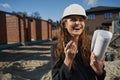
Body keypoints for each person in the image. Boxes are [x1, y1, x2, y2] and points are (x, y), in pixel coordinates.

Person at [52, 3, 106, 80]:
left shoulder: (91, 44)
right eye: (73, 19)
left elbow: (101, 76)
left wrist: (99, 71)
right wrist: (68, 60)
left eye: (81, 20)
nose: (78, 23)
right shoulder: (56, 48)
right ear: (64, 24)